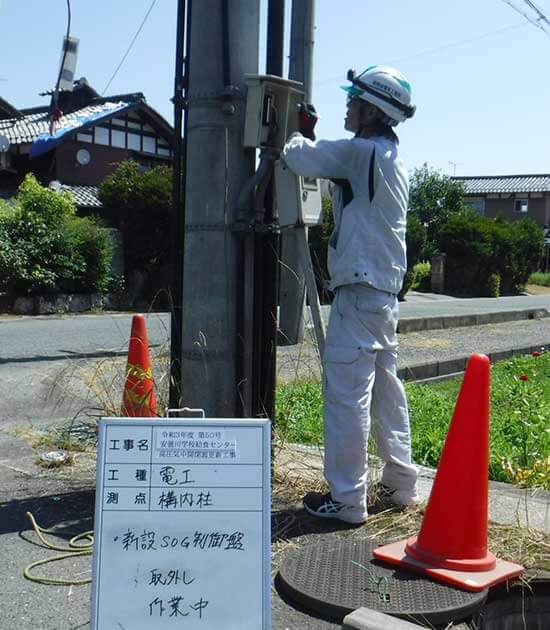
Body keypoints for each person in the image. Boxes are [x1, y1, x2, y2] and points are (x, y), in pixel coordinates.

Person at [282, 65, 419, 525]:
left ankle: (346, 500)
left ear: (372, 111)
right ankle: (401, 485)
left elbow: (301, 158)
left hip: (358, 292)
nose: (347, 106)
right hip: (381, 293)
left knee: (347, 397)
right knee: (385, 390)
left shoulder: (362, 152)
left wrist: (296, 133)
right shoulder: (388, 155)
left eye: (353, 100)